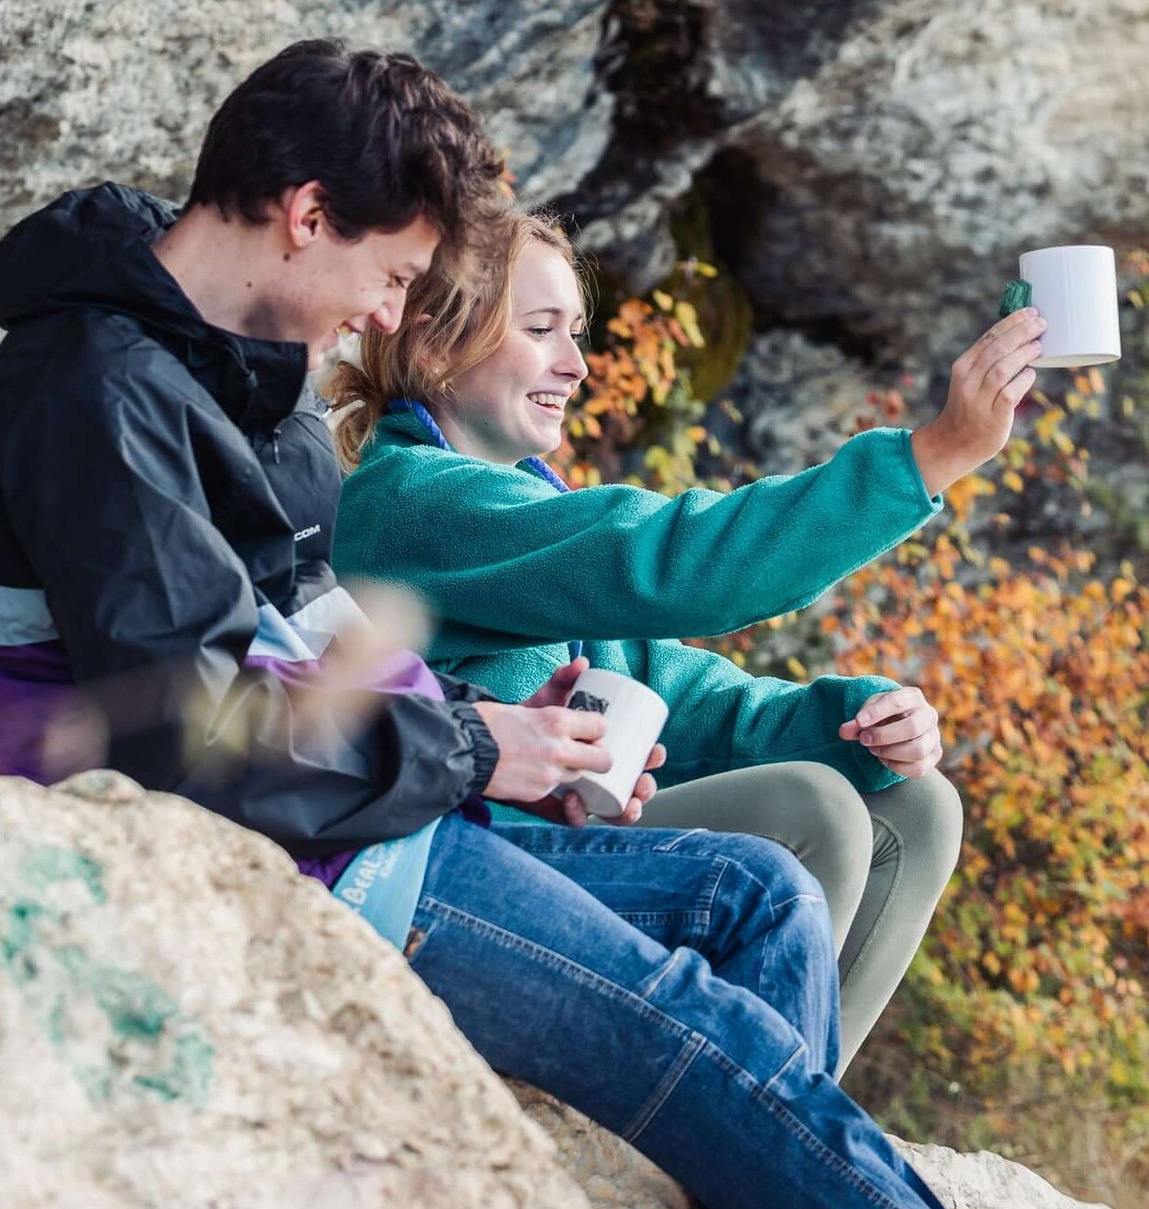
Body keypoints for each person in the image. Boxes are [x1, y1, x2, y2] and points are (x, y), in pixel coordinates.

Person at [0, 38, 959, 1209]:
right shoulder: (96, 400)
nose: (399, 315)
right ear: (309, 214)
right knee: (709, 1042)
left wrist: (495, 739)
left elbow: (318, 648)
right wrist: (472, 754)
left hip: (375, 813)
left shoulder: (251, 387)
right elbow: (195, 738)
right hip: (300, 866)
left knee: (761, 894)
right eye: (401, 273)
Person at [331, 211, 1048, 1074]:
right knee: (811, 810)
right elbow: (671, 563)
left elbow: (689, 697)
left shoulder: (525, 508)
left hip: (568, 846)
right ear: (438, 348)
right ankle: (775, 1136)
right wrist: (929, 456)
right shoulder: (407, 501)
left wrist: (860, 722)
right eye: (541, 329)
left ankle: (799, 1114)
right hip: (479, 867)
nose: (578, 363)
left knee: (917, 802)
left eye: (580, 333)